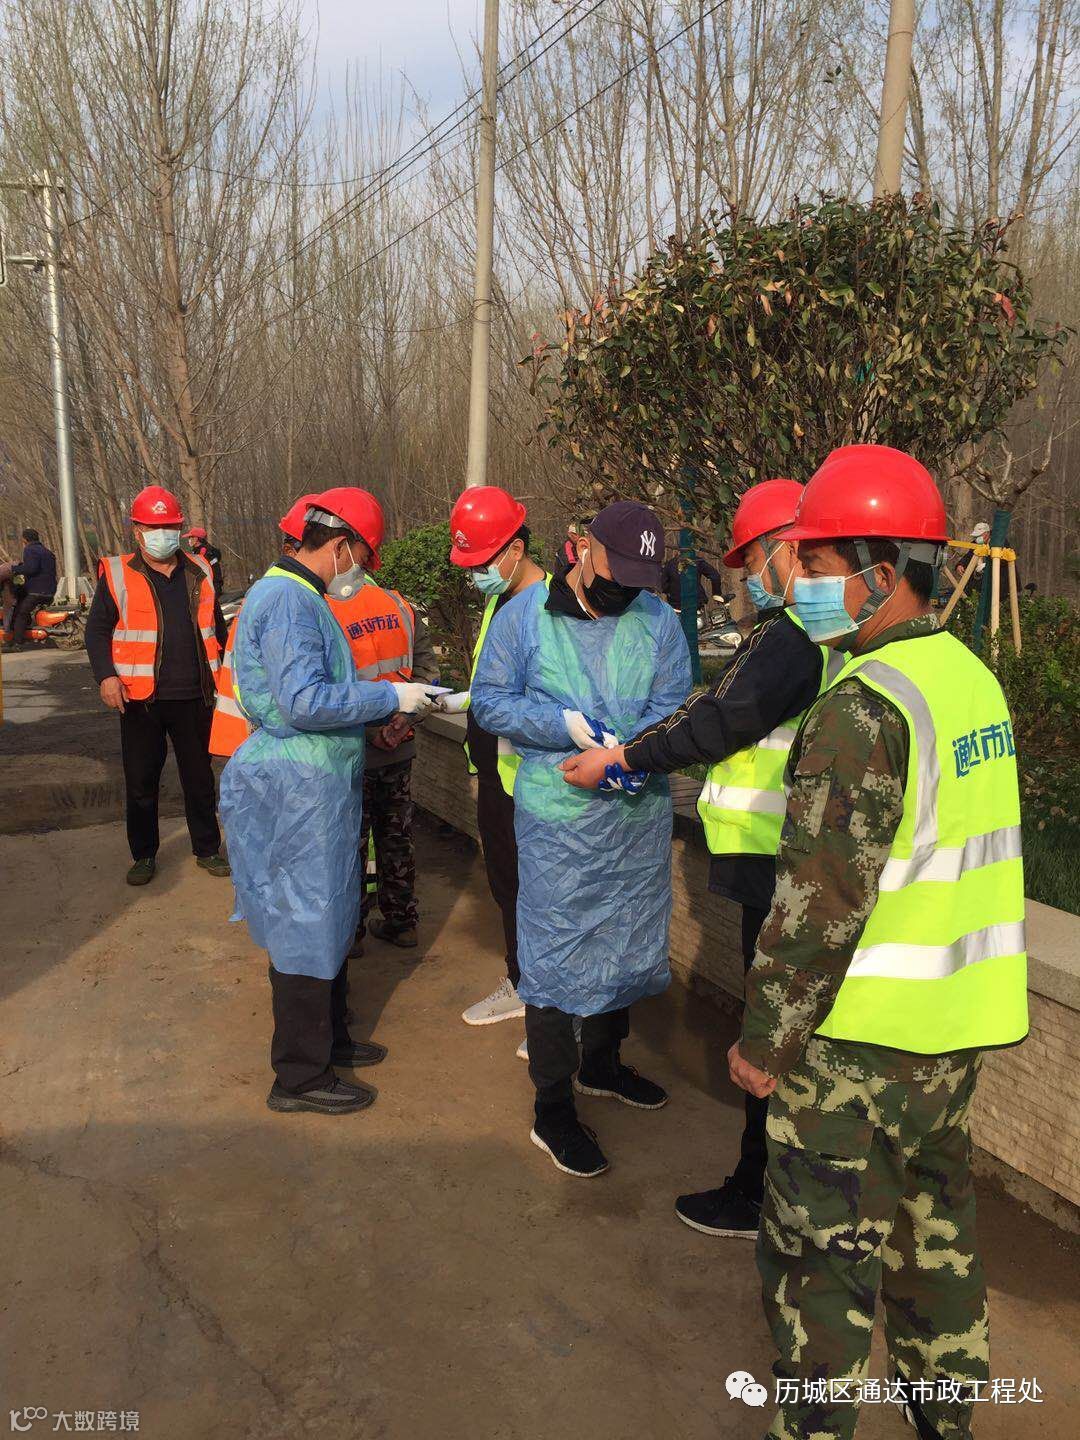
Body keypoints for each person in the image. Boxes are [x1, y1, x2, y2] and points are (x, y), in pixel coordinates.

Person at [727, 445, 1027, 1440]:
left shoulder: (862, 708)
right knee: (936, 1253)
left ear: (881, 573)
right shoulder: (970, 680)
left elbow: (818, 906)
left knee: (821, 1276)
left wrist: (763, 1043)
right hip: (951, 1041)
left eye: (816, 565)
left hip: (854, 1053)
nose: (800, 584)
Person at [563, 478, 844, 1237]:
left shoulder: (792, 637)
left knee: (770, 1031)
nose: (748, 577)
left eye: (752, 560)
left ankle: (758, 1192)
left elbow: (717, 719)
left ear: (789, 548)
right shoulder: (820, 636)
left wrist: (626, 756)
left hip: (779, 863)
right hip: (790, 856)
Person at [472, 500, 692, 1178]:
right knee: (555, 954)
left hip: (633, 813)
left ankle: (603, 1062)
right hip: (560, 820)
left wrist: (632, 757)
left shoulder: (658, 620)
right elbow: (490, 701)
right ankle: (552, 1106)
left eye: (638, 579)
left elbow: (674, 705)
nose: (625, 589)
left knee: (623, 938)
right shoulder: (523, 618)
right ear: (583, 547)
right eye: (616, 570)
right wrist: (561, 724)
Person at [219, 487, 443, 1117]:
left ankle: (331, 1039)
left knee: (330, 911)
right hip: (299, 788)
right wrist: (389, 697)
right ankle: (299, 1075)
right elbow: (303, 702)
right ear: (342, 546)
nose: (360, 571)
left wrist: (373, 720)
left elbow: (316, 695)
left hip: (316, 783)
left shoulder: (298, 596)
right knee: (305, 921)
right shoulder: (289, 601)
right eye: (362, 557)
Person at [86, 486, 231, 886]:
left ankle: (207, 848)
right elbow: (97, 631)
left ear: (180, 529)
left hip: (196, 695)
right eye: (154, 527)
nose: (162, 535)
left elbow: (216, 629)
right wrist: (106, 676)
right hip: (139, 699)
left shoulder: (199, 570)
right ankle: (144, 854)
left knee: (199, 779)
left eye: (169, 527)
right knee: (141, 782)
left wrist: (227, 679)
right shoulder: (118, 574)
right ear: (137, 531)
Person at [445, 486, 549, 1027]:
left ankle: (550, 1008)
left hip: (530, 780)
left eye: (483, 562)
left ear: (516, 548)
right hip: (495, 774)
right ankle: (522, 982)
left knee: (539, 894)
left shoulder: (548, 606)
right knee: (506, 885)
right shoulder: (500, 599)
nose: (476, 575)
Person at [323, 492, 441, 952]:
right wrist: (402, 722)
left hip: (350, 751)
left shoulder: (322, 611)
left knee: (348, 845)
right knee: (396, 837)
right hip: (399, 746)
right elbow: (429, 675)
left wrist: (372, 730)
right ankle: (402, 921)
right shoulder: (400, 605)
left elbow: (323, 692)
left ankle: (349, 933)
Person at [7, 528, 58, 650]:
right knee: (22, 600)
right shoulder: (47, 552)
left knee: (21, 613)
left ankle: (18, 643)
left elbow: (31, 569)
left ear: (24, 539)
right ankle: (25, 632)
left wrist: (13, 569)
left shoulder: (29, 549)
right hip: (50, 590)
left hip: (37, 591)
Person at [183, 526, 224, 594]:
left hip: (212, 585)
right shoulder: (198, 550)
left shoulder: (203, 551)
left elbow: (199, 568)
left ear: (197, 539)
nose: (189, 540)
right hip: (210, 584)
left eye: (190, 537)